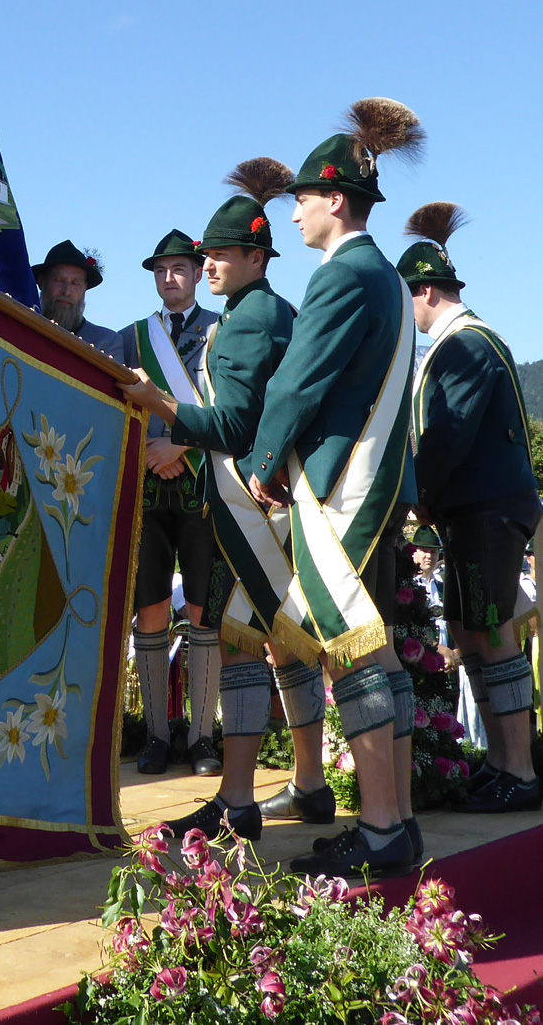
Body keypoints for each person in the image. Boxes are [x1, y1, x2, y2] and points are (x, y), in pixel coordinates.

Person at [246, 99, 426, 876]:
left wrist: (259, 460)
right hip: (372, 482)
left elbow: (297, 381)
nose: (292, 217)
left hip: (338, 488)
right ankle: (399, 820)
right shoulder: (384, 276)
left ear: (336, 201)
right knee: (376, 653)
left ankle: (383, 831)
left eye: (301, 202)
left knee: (350, 655)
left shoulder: (343, 274)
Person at [121, 159, 302, 839]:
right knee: (269, 644)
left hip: (229, 497)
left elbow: (232, 424)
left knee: (234, 639)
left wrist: (161, 406)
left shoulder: (243, 323)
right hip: (216, 495)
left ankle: (232, 793)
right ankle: (301, 780)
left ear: (253, 257)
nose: (202, 266)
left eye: (215, 256)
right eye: (201, 257)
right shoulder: (272, 312)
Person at [397, 201, 542, 812]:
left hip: (487, 508)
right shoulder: (462, 344)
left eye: (406, 298)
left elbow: (446, 438)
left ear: (425, 291)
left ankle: (520, 769)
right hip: (471, 510)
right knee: (465, 630)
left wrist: (416, 497)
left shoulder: (465, 346)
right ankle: (502, 762)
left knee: (491, 630)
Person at [117, 229, 221, 776]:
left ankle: (202, 737)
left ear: (198, 273)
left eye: (179, 268)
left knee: (202, 610)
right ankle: (158, 736)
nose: (169, 278)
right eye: (161, 270)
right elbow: (113, 403)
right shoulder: (133, 338)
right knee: (151, 607)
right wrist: (149, 453)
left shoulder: (219, 331)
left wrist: (179, 443)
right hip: (149, 488)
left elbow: (227, 406)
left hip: (202, 484)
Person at [32, 240, 121, 358]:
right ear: (41, 282)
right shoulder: (23, 326)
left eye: (75, 283)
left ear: (85, 288)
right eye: (59, 280)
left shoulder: (106, 342)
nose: (66, 291)